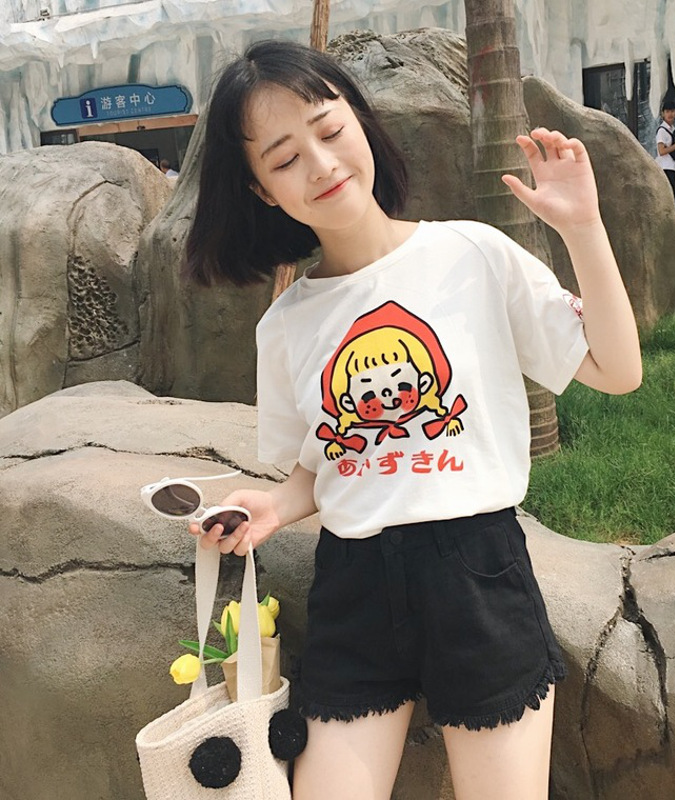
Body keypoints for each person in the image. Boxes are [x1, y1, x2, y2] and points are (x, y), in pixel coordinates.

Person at [183, 40, 641, 800]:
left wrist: (584, 228)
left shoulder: (473, 253)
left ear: (361, 121)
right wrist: (275, 505)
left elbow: (618, 370)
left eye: (330, 130)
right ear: (261, 189)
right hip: (355, 587)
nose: (321, 165)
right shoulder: (287, 324)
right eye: (285, 158)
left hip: (478, 574)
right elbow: (329, 462)